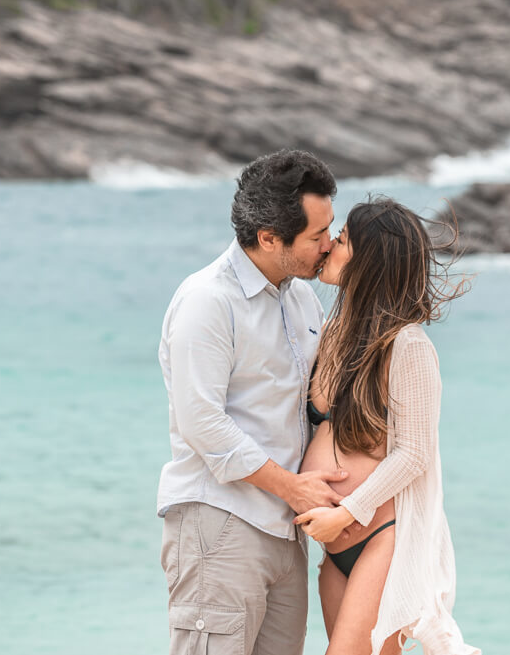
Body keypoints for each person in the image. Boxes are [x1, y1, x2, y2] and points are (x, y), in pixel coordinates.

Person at [156, 149, 350, 655]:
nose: (328, 246)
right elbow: (203, 422)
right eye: (316, 237)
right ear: (268, 238)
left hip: (287, 529)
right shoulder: (207, 300)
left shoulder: (300, 296)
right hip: (220, 522)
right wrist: (295, 489)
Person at [294, 198, 479, 655]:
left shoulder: (407, 345)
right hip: (337, 548)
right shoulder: (334, 331)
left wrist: (346, 511)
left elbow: (413, 453)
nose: (328, 248)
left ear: (369, 260)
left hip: (379, 537)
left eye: (341, 241)